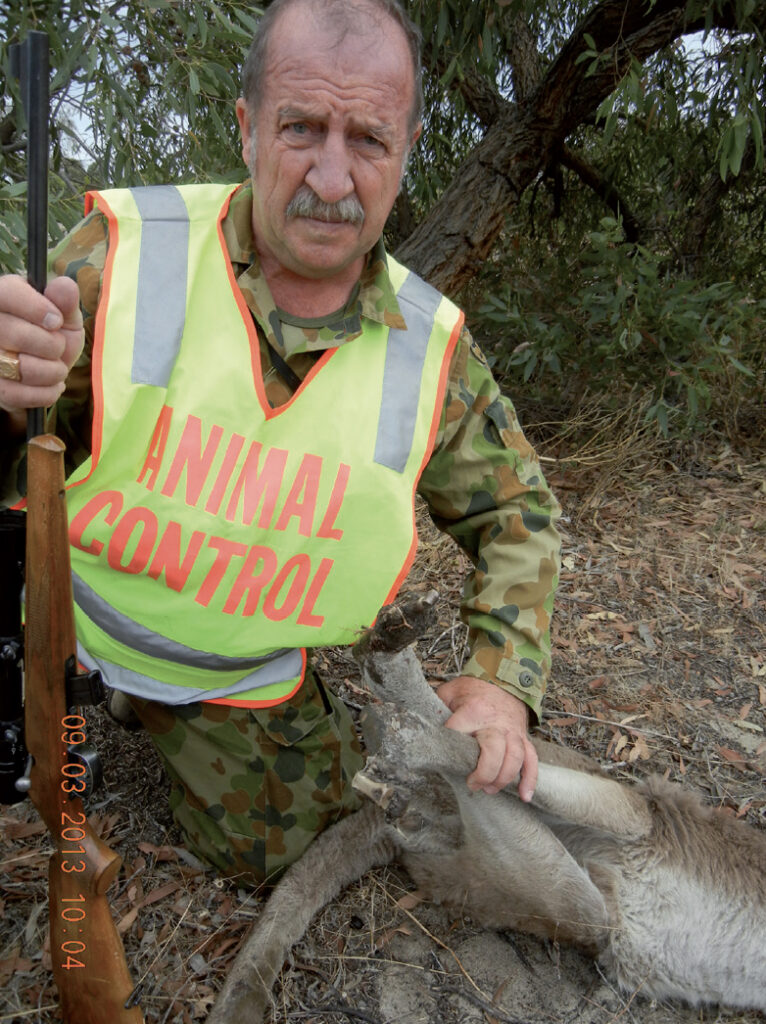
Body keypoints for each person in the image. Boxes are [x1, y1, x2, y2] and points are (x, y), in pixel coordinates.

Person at [0, 0, 560, 883]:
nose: (331, 180)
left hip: (238, 670)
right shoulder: (123, 257)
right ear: (248, 127)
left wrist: (499, 684)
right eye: (301, 128)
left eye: (369, 140)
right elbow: (17, 446)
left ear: (408, 148)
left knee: (294, 853)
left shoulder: (433, 353)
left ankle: (142, 707)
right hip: (50, 616)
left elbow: (519, 513)